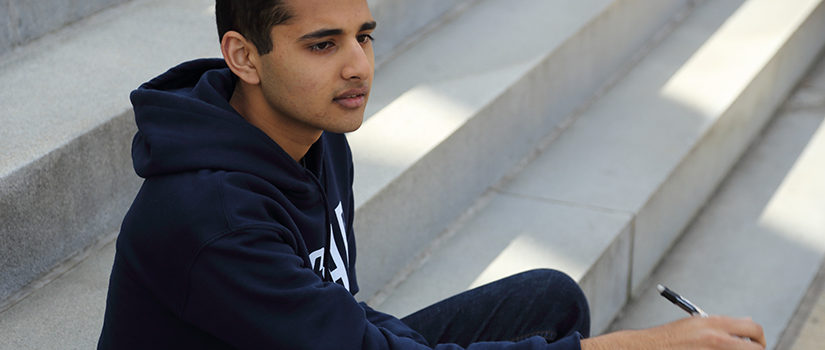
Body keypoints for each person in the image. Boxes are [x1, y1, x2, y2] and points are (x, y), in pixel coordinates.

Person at [97, 0, 767, 349]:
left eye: (364, 35)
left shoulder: (316, 135)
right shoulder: (208, 217)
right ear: (244, 56)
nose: (358, 66)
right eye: (323, 45)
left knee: (548, 300)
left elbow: (338, 315)